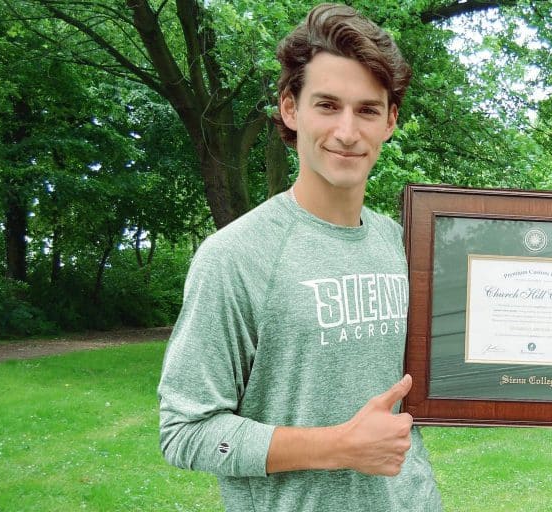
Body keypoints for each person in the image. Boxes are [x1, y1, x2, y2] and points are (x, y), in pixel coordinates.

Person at [157, 4, 441, 511]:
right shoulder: (235, 257)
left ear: (391, 121)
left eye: (368, 110)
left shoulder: (404, 248)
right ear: (291, 109)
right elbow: (186, 430)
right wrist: (338, 447)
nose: (348, 132)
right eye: (327, 105)